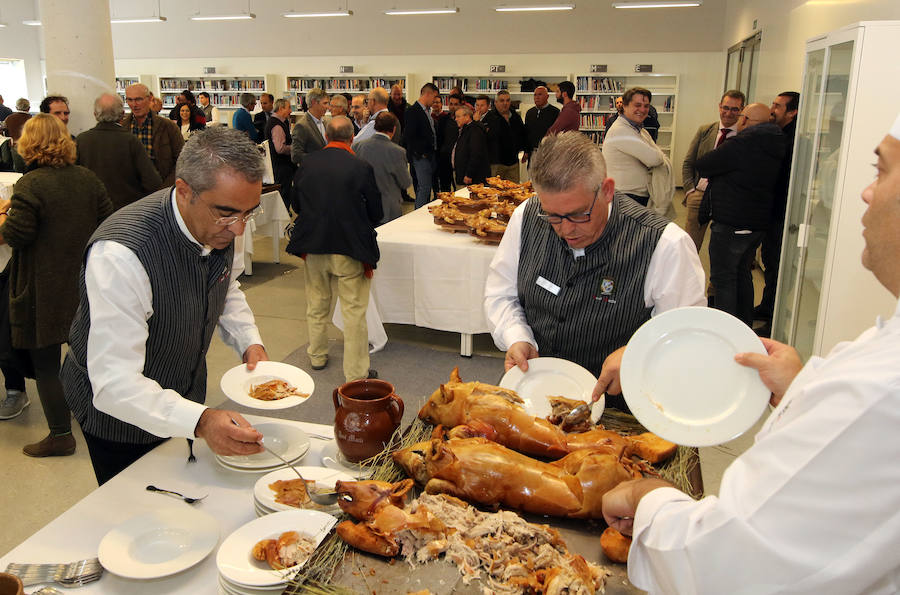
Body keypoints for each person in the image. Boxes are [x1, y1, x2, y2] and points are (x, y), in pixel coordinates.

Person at [601, 115, 900, 595]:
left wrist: (650, 497)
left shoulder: (879, 391)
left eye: (881, 171)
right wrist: (801, 390)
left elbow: (727, 561)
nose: (866, 193)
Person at [61, 127, 269, 486]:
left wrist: (248, 341)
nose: (238, 230)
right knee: (139, 510)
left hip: (184, 391)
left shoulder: (226, 219)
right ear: (184, 190)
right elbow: (113, 384)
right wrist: (201, 421)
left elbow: (226, 284)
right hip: (118, 418)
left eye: (249, 213)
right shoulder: (122, 254)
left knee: (185, 491)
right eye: (227, 213)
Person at [484, 131, 704, 409]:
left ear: (607, 190)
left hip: (621, 407)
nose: (566, 230)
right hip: (534, 394)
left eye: (578, 214)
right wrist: (517, 336)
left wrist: (639, 354)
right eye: (552, 216)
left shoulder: (665, 244)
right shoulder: (526, 215)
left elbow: (686, 333)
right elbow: (501, 293)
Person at [0, 114, 113, 456]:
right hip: (83, 279)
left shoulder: (31, 185)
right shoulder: (87, 178)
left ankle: (61, 435)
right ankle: (100, 417)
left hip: (43, 285)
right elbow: (108, 222)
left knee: (46, 362)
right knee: (89, 356)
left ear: (28, 144)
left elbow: (16, 235)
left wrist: (5, 216)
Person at [286, 116, 382, 381]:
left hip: (313, 245)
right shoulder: (361, 166)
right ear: (352, 137)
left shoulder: (307, 164)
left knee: (316, 303)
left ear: (326, 136)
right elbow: (376, 211)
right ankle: (356, 372)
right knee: (353, 312)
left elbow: (296, 204)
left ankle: (317, 355)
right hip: (350, 247)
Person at [697, 103, 786, 326]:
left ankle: (726, 328)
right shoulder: (779, 141)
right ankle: (744, 324)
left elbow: (705, 165)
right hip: (757, 223)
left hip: (732, 220)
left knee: (724, 277)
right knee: (742, 274)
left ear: (745, 120)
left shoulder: (743, 143)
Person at [755, 91, 800, 330]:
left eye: (778, 106)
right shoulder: (779, 135)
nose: (772, 110)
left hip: (784, 213)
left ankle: (775, 318)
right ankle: (767, 306)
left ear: (792, 112)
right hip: (773, 211)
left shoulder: (794, 141)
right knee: (770, 261)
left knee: (780, 264)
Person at [681, 89, 746, 252]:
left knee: (722, 249)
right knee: (690, 246)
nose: (728, 113)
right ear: (719, 107)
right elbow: (689, 162)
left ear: (741, 110)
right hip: (699, 195)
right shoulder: (705, 130)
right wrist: (690, 191)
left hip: (727, 200)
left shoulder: (744, 136)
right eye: (725, 107)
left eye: (734, 109)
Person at [76, 93, 163, 211]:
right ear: (122, 114)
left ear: (95, 114)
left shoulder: (81, 140)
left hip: (92, 209)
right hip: (127, 210)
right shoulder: (131, 141)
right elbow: (152, 182)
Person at [602, 87, 665, 207]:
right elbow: (655, 159)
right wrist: (657, 154)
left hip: (634, 196)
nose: (642, 109)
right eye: (637, 105)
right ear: (624, 106)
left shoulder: (638, 130)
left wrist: (656, 154)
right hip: (626, 197)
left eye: (646, 106)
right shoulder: (621, 131)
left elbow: (655, 156)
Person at [355, 111, 412, 224]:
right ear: (394, 129)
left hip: (364, 206)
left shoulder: (359, 146)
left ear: (375, 126)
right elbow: (405, 182)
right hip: (388, 208)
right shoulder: (397, 151)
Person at [123, 83, 184, 186]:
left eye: (138, 99)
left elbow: (182, 160)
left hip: (161, 189)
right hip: (131, 191)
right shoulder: (122, 128)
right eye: (129, 100)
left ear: (150, 98)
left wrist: (165, 187)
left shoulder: (168, 127)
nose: (134, 104)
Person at [404, 83, 440, 208]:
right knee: (424, 188)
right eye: (434, 97)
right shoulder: (413, 111)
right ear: (427, 94)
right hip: (421, 156)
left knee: (426, 187)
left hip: (429, 155)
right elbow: (409, 136)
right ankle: (417, 214)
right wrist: (421, 154)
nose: (435, 100)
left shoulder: (426, 111)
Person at [482, 89, 526, 183]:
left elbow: (522, 134)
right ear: (496, 102)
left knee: (514, 191)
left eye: (507, 100)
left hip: (513, 162)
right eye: (502, 101)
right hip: (496, 163)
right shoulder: (489, 118)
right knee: (495, 191)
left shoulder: (515, 116)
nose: (505, 103)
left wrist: (525, 149)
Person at [265, 98, 296, 211]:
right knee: (284, 194)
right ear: (281, 108)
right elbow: (280, 148)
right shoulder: (277, 126)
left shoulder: (278, 122)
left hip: (280, 165)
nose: (290, 111)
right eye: (288, 108)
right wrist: (295, 148)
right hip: (281, 166)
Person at [452, 106, 490, 186]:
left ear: (467, 117)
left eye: (458, 116)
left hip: (473, 178)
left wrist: (469, 174)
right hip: (465, 175)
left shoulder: (474, 130)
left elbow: (475, 153)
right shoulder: (465, 129)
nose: (456, 119)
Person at [291, 88, 329, 167]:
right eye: (325, 103)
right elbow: (296, 156)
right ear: (314, 103)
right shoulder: (302, 125)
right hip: (311, 172)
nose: (327, 107)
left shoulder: (326, 122)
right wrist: (319, 158)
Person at [523, 86, 559, 165]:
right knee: (532, 176)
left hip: (548, 154)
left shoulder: (555, 112)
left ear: (547, 96)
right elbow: (526, 133)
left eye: (540, 94)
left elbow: (557, 134)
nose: (537, 97)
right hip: (532, 154)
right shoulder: (530, 113)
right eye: (535, 95)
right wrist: (526, 151)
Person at [436, 94, 462, 192]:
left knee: (459, 188)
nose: (453, 106)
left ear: (460, 105)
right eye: (451, 104)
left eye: (456, 104)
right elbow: (439, 139)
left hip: (459, 159)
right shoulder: (443, 120)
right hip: (445, 158)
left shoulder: (464, 120)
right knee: (444, 188)